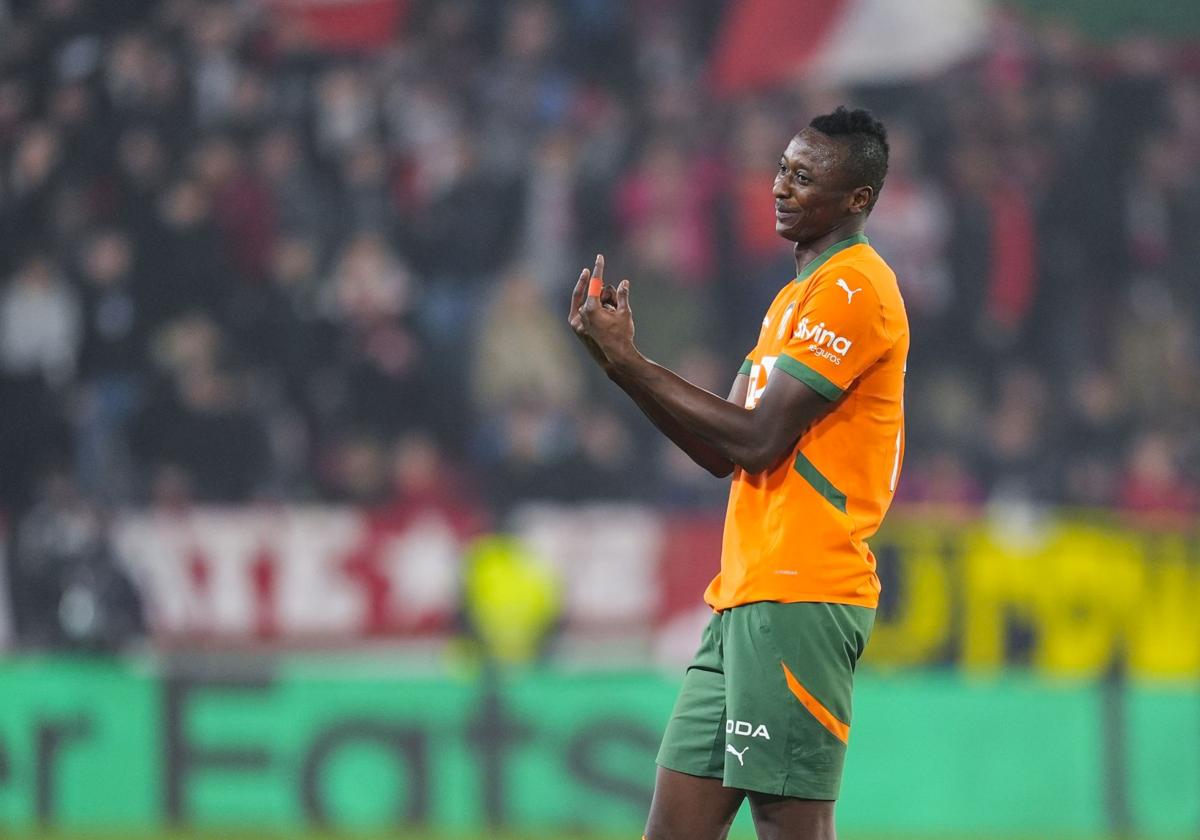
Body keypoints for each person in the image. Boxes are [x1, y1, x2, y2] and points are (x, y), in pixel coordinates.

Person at [569, 106, 907, 840]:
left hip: (803, 593)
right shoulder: (791, 301)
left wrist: (631, 362)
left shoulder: (855, 292)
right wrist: (620, 367)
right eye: (783, 168)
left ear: (857, 200)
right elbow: (720, 453)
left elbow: (756, 440)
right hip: (743, 601)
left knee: (790, 826)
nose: (781, 187)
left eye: (805, 177)